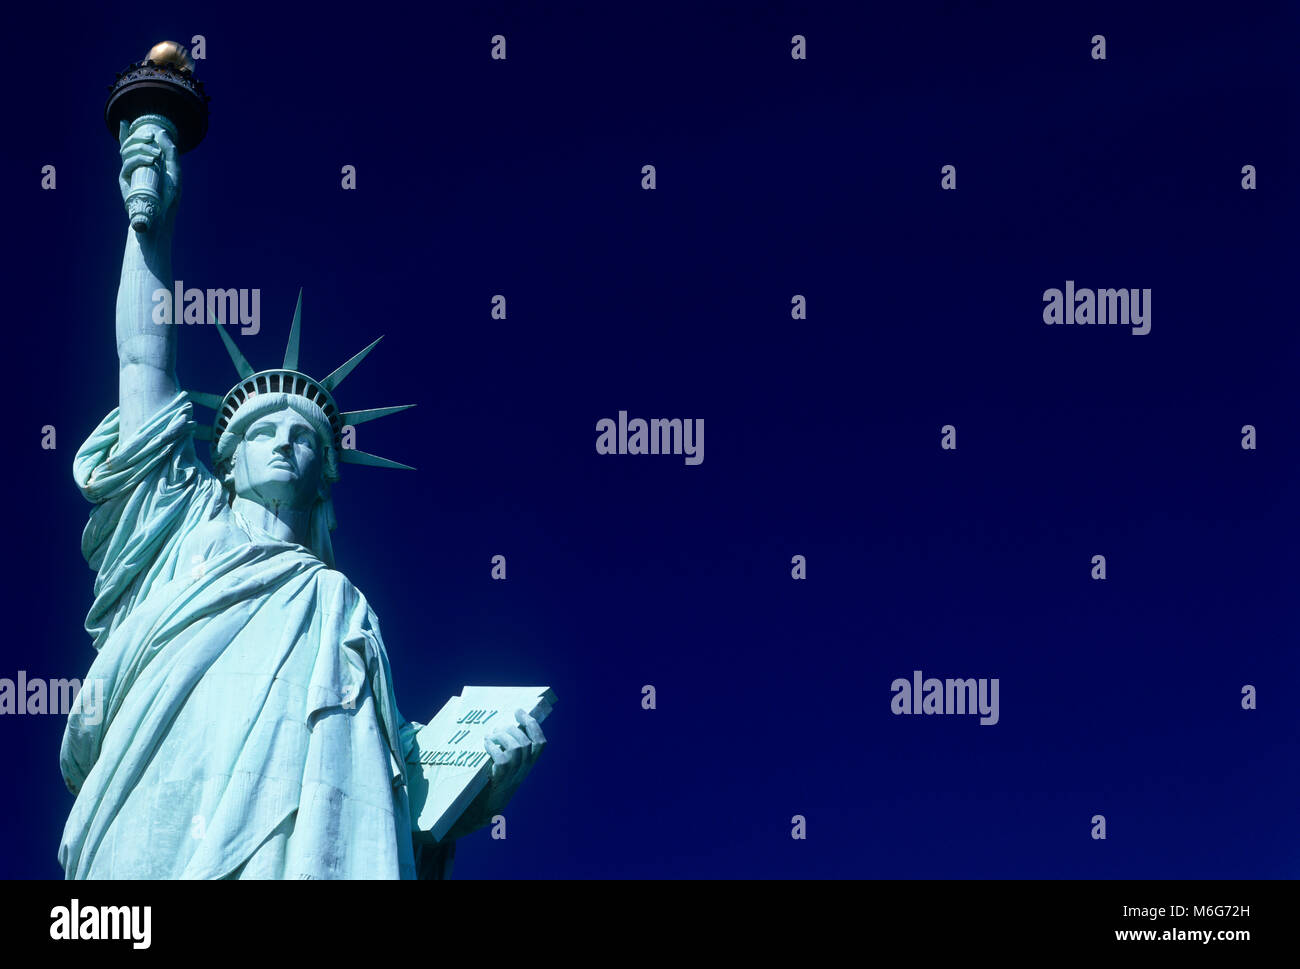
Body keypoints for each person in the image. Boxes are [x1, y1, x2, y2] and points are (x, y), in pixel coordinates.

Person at [58, 118, 545, 880]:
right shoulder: (181, 530)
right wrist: (150, 225)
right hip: (155, 826)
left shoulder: (340, 606)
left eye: (306, 436)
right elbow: (141, 355)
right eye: (264, 430)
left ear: (326, 472)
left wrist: (480, 789)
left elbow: (387, 798)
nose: (285, 441)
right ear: (226, 458)